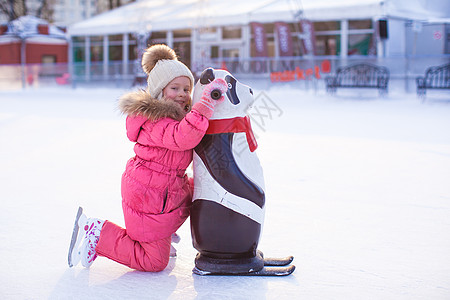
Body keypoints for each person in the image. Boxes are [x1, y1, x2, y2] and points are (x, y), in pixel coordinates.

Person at [68, 44, 228, 272]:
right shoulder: (155, 120)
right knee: (154, 262)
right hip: (148, 196)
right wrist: (204, 106)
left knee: (199, 194)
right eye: (175, 88)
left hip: (163, 190)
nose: (182, 94)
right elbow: (183, 138)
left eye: (186, 89)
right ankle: (99, 233)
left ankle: (163, 233)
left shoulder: (177, 117)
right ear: (160, 91)